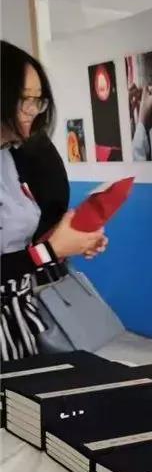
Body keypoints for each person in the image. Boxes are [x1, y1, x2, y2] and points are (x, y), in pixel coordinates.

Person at [1, 41, 107, 360]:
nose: (34, 110)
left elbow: (28, 237)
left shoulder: (17, 155)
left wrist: (72, 237)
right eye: (24, 99)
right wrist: (50, 251)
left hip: (17, 321)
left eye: (38, 100)